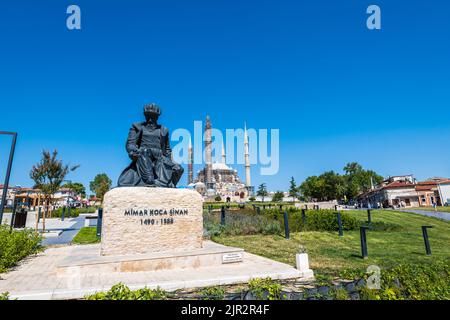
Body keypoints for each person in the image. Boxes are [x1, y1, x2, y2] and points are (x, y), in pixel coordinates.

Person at [117, 103, 184, 188]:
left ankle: (167, 185)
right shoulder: (137, 127)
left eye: (153, 116)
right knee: (145, 152)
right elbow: (130, 144)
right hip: (143, 155)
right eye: (148, 116)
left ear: (157, 117)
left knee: (178, 169)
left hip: (159, 157)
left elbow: (167, 150)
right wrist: (133, 151)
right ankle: (149, 180)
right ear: (145, 116)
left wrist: (170, 162)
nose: (150, 119)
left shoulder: (164, 130)